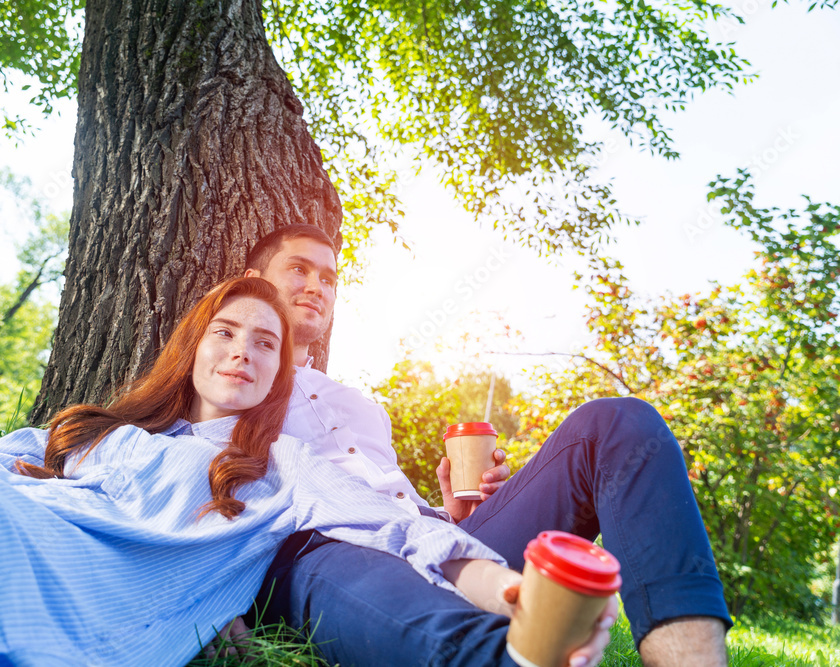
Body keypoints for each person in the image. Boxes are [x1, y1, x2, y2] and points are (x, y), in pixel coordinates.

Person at [0, 277, 524, 666]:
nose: (242, 351)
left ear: (279, 372)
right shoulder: (97, 431)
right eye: (225, 331)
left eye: (265, 343)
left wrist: (512, 590)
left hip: (57, 583)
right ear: (192, 345)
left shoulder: (277, 465)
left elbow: (401, 528)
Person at [242, 224, 733, 667]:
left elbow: (394, 505)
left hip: (436, 541)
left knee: (618, 423)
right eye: (299, 269)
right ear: (252, 280)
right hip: (328, 553)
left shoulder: (359, 406)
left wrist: (452, 514)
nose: (317, 286)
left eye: (328, 278)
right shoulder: (227, 382)